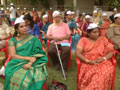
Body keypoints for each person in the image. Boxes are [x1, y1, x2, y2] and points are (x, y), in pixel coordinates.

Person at [4, 17, 48, 90]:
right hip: (17, 62)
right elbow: (13, 55)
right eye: (21, 26)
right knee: (16, 76)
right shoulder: (12, 40)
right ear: (17, 29)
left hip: (34, 61)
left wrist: (30, 63)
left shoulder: (34, 39)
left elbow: (38, 53)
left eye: (25, 26)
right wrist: (28, 58)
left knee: (33, 75)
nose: (25, 28)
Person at [75, 23, 114, 90]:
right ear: (88, 33)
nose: (97, 34)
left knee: (103, 71)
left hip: (102, 61)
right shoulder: (83, 40)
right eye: (94, 32)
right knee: (94, 72)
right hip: (87, 62)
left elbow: (111, 52)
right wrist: (88, 61)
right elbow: (77, 53)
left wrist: (103, 58)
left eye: (98, 32)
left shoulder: (103, 39)